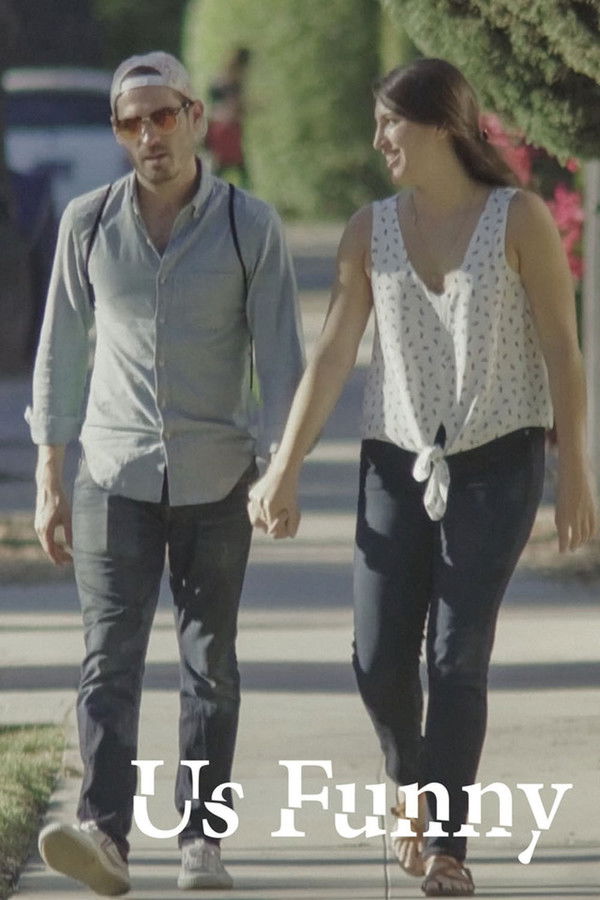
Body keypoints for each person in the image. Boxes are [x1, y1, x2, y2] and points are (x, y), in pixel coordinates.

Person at [247, 58, 596, 897]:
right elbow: (333, 355)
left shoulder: (518, 218)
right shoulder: (370, 230)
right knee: (377, 658)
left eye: (390, 123)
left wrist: (576, 471)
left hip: (499, 460)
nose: (378, 141)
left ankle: (447, 847)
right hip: (394, 460)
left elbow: (562, 346)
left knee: (456, 656)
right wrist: (283, 468)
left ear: (441, 124)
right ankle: (409, 780)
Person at [27, 51, 304, 896]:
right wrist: (49, 474)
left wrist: (281, 470)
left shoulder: (247, 225)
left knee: (210, 663)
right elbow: (61, 352)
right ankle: (104, 835)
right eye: (130, 122)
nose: (148, 134)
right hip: (112, 476)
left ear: (193, 118)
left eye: (161, 115)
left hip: (218, 479)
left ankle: (201, 844)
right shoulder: (87, 224)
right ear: (120, 134)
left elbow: (281, 360)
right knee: (108, 661)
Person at [204, 47, 251, 186]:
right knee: (236, 168)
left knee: (223, 168)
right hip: (228, 128)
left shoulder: (219, 77)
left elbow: (213, 101)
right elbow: (234, 106)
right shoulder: (233, 81)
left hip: (218, 126)